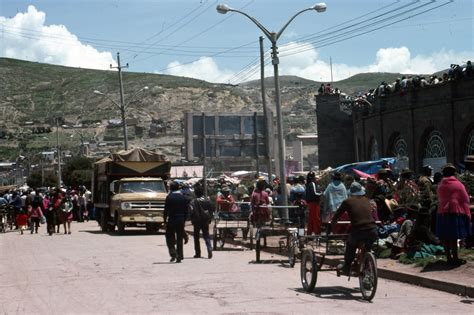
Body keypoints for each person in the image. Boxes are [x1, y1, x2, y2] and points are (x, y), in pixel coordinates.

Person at [331, 182, 378, 275]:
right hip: (373, 230)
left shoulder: (347, 201)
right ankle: (366, 263)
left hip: (359, 230)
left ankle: (347, 267)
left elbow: (337, 214)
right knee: (368, 248)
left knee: (350, 245)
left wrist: (333, 222)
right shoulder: (366, 200)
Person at [436, 164, 472, 265]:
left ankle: (448, 258)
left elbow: (440, 197)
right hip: (454, 212)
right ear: (453, 173)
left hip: (442, 212)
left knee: (445, 237)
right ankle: (455, 258)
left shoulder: (441, 185)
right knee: (453, 237)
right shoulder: (458, 184)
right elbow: (465, 199)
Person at [164, 181, 188, 263]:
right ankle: (180, 256)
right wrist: (184, 220)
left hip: (172, 219)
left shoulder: (169, 197)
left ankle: (173, 253)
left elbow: (165, 210)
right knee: (179, 238)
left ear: (171, 188)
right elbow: (186, 211)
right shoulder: (183, 197)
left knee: (169, 237)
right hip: (181, 219)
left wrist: (164, 221)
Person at [189, 185, 214, 259]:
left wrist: (191, 219)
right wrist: (209, 219)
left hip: (196, 221)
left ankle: (198, 253)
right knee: (206, 235)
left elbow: (191, 211)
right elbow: (210, 211)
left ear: (196, 193)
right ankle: (209, 248)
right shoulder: (207, 200)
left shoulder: (193, 201)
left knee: (196, 237)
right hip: (205, 220)